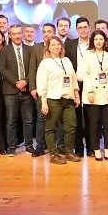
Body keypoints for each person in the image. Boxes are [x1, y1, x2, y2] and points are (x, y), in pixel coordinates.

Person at [38, 36, 79, 165]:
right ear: (48, 48)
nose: (56, 47)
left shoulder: (66, 60)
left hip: (68, 99)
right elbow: (41, 83)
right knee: (51, 128)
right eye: (53, 45)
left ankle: (69, 152)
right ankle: (53, 154)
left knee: (71, 126)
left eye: (58, 44)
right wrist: (44, 101)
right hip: (53, 99)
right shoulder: (45, 63)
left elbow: (73, 78)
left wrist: (76, 95)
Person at [80, 30, 108, 160]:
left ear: (105, 40)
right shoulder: (87, 54)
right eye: (96, 39)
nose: (98, 42)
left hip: (107, 93)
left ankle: (107, 149)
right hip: (92, 94)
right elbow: (85, 73)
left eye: (101, 39)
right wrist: (89, 91)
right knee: (94, 124)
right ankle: (95, 149)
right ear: (92, 41)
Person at [0, 25, 32, 156]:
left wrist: (25, 81)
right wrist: (17, 83)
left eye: (19, 33)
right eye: (14, 34)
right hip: (10, 90)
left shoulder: (30, 49)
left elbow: (33, 69)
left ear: (22, 34)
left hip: (27, 90)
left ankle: (29, 145)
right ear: (10, 35)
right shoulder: (4, 50)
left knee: (28, 120)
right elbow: (3, 69)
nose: (17, 36)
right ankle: (11, 147)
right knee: (11, 121)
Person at [25, 23, 55, 157]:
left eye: (49, 31)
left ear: (54, 33)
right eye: (44, 32)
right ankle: (40, 145)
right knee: (41, 117)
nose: (46, 34)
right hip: (41, 88)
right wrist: (32, 87)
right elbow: (32, 68)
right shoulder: (36, 48)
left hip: (56, 88)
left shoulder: (58, 46)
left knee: (56, 118)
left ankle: (56, 145)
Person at [67, 17, 90, 156]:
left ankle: (92, 147)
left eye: (85, 27)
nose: (83, 30)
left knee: (90, 117)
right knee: (75, 118)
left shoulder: (94, 43)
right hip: (74, 85)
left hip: (90, 85)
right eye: (80, 28)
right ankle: (78, 148)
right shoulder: (70, 45)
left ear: (89, 28)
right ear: (76, 30)